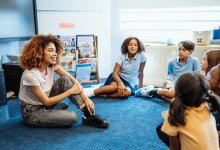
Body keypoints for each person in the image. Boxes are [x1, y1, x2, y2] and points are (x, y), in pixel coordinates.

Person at [19, 34, 109, 128]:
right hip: (32, 112)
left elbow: (72, 79)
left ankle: (89, 115)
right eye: (50, 50)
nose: (55, 54)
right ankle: (52, 112)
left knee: (65, 79)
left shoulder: (51, 65)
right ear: (39, 52)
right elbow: (46, 102)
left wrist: (85, 98)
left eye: (55, 50)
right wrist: (71, 91)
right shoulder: (30, 75)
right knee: (72, 117)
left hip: (44, 103)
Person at [157, 72, 220, 149]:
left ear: (176, 93)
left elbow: (175, 147)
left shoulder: (176, 112)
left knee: (160, 129)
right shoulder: (208, 106)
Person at [135, 40, 200, 102]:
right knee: (171, 94)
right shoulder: (171, 62)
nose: (180, 52)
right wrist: (172, 85)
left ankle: (160, 94)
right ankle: (149, 91)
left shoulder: (194, 61)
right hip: (172, 82)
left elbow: (196, 76)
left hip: (185, 85)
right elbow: (169, 75)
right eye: (179, 49)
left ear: (190, 52)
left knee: (185, 99)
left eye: (183, 50)